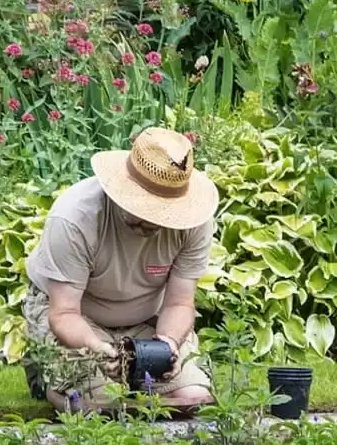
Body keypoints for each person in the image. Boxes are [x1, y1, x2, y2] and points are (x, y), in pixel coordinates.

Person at [24, 125, 217, 414]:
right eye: (143, 208)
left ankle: (130, 384)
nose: (151, 220)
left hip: (146, 318)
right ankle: (47, 376)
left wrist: (168, 343)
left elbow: (179, 302)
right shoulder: (76, 217)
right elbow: (64, 313)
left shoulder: (194, 223)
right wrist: (96, 347)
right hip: (79, 319)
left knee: (194, 399)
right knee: (96, 406)